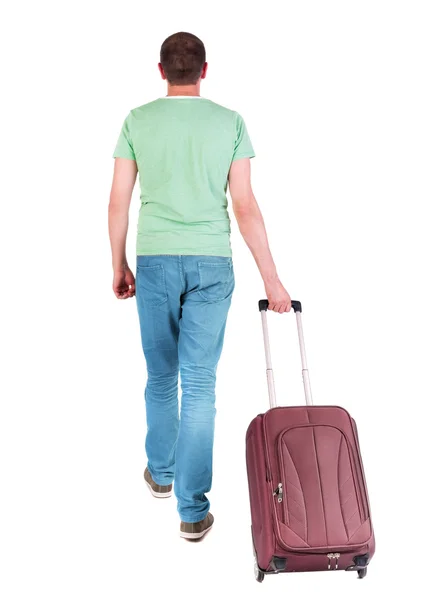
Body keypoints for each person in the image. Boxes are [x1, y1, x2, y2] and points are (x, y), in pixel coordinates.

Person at [109, 31, 291, 541]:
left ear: (161, 70)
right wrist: (273, 281)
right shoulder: (229, 122)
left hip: (155, 261)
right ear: (204, 71)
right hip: (212, 264)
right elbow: (245, 205)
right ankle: (192, 511)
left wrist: (118, 263)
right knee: (201, 386)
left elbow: (118, 201)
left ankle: (161, 475)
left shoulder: (137, 121)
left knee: (161, 377)